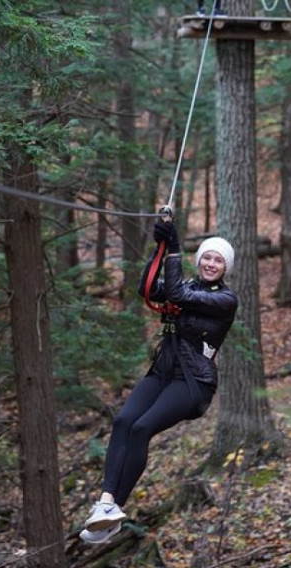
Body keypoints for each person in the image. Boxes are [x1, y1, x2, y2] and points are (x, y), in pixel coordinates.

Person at [80, 219, 238, 544]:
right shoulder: (189, 285)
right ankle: (105, 506)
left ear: (225, 268)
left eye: (218, 260)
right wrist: (161, 248)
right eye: (207, 257)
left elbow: (176, 292)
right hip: (164, 371)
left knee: (141, 428)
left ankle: (116, 509)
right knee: (124, 421)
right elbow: (149, 288)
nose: (211, 263)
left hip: (193, 382)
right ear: (199, 261)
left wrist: (175, 249)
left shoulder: (225, 299)